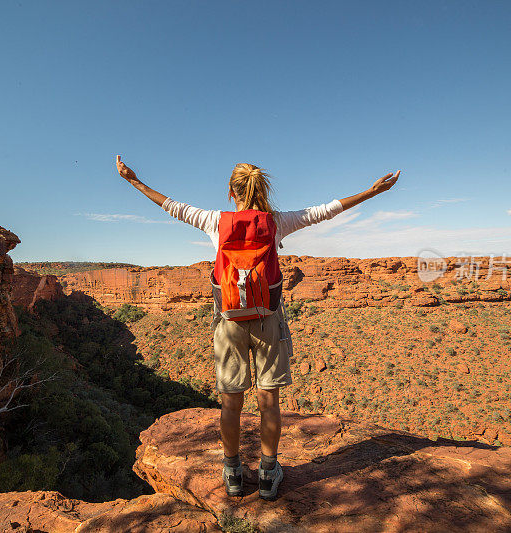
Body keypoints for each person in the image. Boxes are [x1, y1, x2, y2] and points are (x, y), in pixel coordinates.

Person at [116, 155, 399, 500]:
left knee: (231, 403)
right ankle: (267, 474)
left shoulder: (214, 221)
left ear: (231, 191)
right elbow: (325, 211)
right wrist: (370, 192)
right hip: (267, 318)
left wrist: (133, 180)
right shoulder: (276, 221)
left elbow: (171, 206)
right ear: (260, 189)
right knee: (268, 401)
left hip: (229, 321)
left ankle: (233, 473)